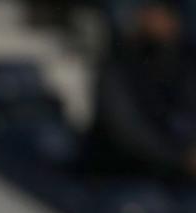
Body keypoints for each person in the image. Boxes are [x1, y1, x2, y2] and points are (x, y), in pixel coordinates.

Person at [83, 1, 196, 182]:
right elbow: (126, 127)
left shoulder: (184, 62)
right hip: (122, 175)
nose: (156, 20)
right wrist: (178, 157)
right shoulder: (120, 65)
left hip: (173, 173)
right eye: (149, 12)